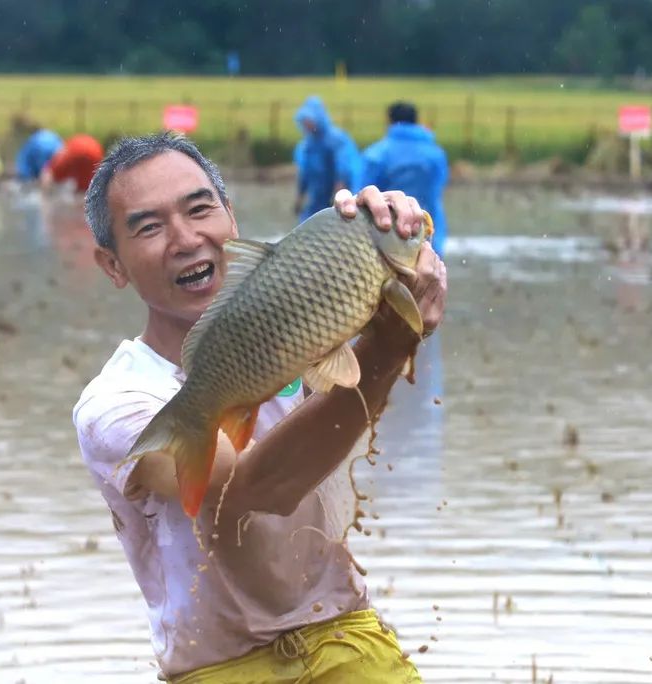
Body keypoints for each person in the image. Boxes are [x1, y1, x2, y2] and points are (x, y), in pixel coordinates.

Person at [74, 132, 446, 683]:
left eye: (200, 210)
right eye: (149, 227)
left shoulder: (304, 302)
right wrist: (388, 348)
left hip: (349, 639)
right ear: (112, 265)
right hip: (225, 668)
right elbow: (251, 491)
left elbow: (345, 387)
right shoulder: (115, 404)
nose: (185, 238)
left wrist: (391, 235)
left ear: (232, 217)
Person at [361, 102, 450, 258]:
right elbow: (440, 184)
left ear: (389, 121)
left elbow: (362, 193)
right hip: (429, 230)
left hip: (387, 238)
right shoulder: (435, 154)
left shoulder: (377, 154)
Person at [293, 96, 362, 222]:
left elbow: (343, 170)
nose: (306, 124)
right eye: (304, 121)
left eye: (309, 120)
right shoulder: (308, 144)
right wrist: (299, 198)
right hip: (317, 197)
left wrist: (337, 198)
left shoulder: (336, 139)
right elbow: (305, 173)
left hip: (337, 196)